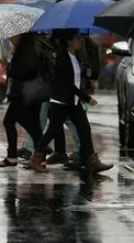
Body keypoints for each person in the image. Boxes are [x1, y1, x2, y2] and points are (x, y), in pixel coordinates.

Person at [32, 30, 112, 174]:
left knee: (84, 128)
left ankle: (92, 160)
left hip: (73, 102)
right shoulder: (62, 57)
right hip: (60, 102)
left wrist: (86, 74)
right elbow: (68, 85)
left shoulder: (74, 57)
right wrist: (87, 98)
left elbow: (76, 79)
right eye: (76, 39)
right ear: (69, 41)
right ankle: (36, 158)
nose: (79, 41)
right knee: (52, 131)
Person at [0, 32, 44, 171]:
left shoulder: (26, 50)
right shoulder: (27, 48)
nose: (11, 39)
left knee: (9, 121)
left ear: (21, 36)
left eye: (13, 36)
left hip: (23, 94)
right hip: (29, 94)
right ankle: (41, 155)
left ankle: (12, 157)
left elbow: (27, 70)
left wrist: (9, 67)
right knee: (33, 124)